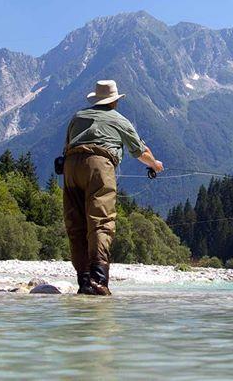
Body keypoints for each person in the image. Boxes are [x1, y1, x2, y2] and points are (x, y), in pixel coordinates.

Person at [62, 80, 164, 295]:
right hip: (99, 166)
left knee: (76, 225)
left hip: (70, 167)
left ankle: (83, 282)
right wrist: (155, 165)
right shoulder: (119, 120)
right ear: (115, 101)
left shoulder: (78, 117)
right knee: (101, 223)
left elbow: (68, 145)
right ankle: (98, 282)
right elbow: (140, 152)